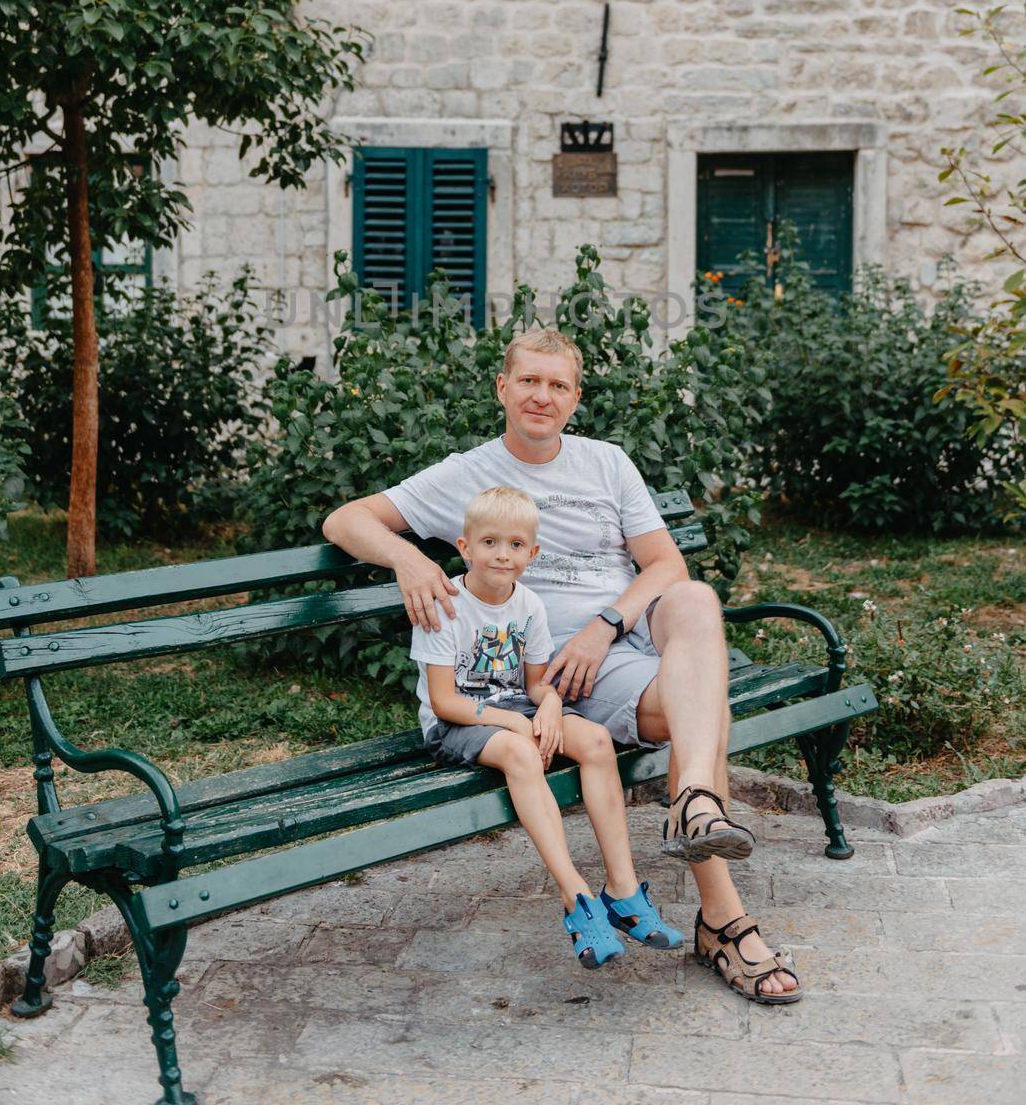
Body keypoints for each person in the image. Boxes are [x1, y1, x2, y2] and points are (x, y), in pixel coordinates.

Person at [323, 327, 801, 1005]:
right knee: (708, 707)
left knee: (693, 597)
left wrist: (607, 627)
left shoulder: (606, 463)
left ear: (575, 398)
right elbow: (346, 521)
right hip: (557, 673)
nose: (541, 396)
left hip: (618, 641)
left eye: (557, 385)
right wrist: (408, 557)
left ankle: (693, 800)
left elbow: (666, 563)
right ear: (503, 388)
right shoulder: (467, 474)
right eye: (528, 381)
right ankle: (723, 918)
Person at [411, 482, 680, 967]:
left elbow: (535, 684)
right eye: (489, 543)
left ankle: (622, 890)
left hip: (518, 706)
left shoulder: (529, 604)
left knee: (595, 740)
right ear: (465, 547)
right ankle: (575, 897)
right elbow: (444, 700)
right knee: (520, 753)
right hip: (457, 721)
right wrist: (515, 726)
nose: (501, 555)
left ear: (532, 553)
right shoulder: (446, 605)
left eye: (515, 545)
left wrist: (552, 703)